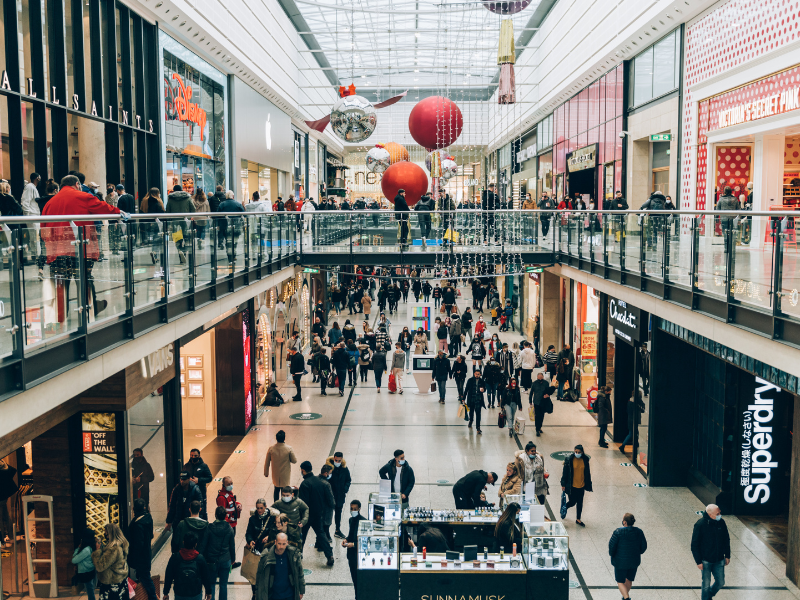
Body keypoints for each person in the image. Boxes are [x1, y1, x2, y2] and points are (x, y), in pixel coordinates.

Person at [41, 174, 122, 316]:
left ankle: (61, 313)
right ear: (77, 184)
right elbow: (104, 208)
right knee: (84, 278)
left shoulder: (50, 202)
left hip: (57, 249)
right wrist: (119, 213)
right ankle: (90, 307)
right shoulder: (83, 197)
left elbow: (43, 229)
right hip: (80, 247)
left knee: (61, 280)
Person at [297, 461, 334, 566]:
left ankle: (299, 554)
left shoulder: (305, 483)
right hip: (318, 513)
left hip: (307, 515)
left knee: (302, 535)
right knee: (321, 534)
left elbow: (303, 502)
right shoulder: (319, 481)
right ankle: (330, 555)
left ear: (303, 470)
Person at [691, 504, 731, 600]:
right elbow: (694, 544)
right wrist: (698, 561)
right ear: (710, 514)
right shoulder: (700, 525)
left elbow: (726, 539)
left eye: (719, 512)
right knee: (706, 584)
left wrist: (727, 555)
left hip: (719, 559)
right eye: (717, 513)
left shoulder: (721, 522)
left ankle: (709, 595)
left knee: (720, 582)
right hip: (706, 561)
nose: (719, 515)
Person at [254, 532, 306, 600]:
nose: (281, 547)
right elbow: (259, 576)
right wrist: (257, 593)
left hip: (289, 595)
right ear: (275, 542)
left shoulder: (293, 555)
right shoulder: (266, 556)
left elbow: (300, 573)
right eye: (279, 543)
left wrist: (301, 591)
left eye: (283, 544)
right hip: (273, 596)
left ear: (287, 543)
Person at [608, 512, 648, 600]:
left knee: (620, 581)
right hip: (634, 561)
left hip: (620, 562)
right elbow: (644, 546)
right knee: (629, 579)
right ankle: (625, 595)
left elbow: (612, 547)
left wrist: (612, 555)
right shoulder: (639, 532)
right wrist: (637, 553)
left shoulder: (618, 532)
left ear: (625, 522)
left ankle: (626, 597)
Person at [200, 506, 236, 600]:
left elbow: (204, 544)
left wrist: (200, 557)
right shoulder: (229, 529)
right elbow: (232, 546)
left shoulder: (209, 528)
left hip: (212, 561)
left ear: (215, 515)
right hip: (225, 560)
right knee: (223, 585)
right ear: (225, 516)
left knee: (211, 584)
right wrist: (233, 559)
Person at [164, 532, 212, 600]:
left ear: (183, 542)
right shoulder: (200, 558)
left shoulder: (175, 557)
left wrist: (166, 592)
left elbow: (169, 575)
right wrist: (208, 592)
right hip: (195, 593)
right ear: (195, 545)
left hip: (180, 593)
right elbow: (206, 577)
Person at [91, 524, 130, 600]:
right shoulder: (121, 545)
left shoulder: (113, 549)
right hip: (119, 581)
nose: (105, 535)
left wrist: (98, 550)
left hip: (111, 584)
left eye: (106, 533)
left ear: (111, 534)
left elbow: (100, 566)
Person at [560, 445, 592, 526]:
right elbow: (565, 473)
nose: (577, 453)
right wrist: (563, 484)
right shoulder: (569, 460)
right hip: (572, 486)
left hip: (581, 485)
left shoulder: (585, 460)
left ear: (582, 452)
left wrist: (588, 483)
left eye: (579, 452)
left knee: (580, 502)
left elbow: (587, 473)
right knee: (572, 502)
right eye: (576, 452)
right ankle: (565, 507)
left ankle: (578, 519)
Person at [264, 431, 298, 503]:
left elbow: (267, 462)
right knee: (285, 490)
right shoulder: (289, 449)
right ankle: (284, 503)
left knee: (276, 489)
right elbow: (294, 460)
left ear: (276, 438)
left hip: (276, 474)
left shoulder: (271, 449)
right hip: (285, 474)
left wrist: (266, 472)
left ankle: (276, 504)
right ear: (284, 438)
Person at [325, 452, 352, 539]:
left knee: (338, 513)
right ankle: (326, 532)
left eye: (339, 460)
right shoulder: (328, 468)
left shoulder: (344, 469)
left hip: (340, 495)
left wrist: (345, 489)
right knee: (328, 515)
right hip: (329, 496)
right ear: (334, 458)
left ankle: (337, 530)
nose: (337, 462)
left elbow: (348, 479)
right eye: (336, 460)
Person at [343, 500, 366, 598]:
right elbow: (351, 534)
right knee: (354, 579)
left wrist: (354, 544)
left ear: (359, 509)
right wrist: (346, 540)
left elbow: (365, 541)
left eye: (355, 509)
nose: (353, 511)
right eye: (351, 509)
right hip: (351, 555)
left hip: (359, 555)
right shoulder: (351, 520)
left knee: (359, 580)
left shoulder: (363, 522)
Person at [514, 442, 548, 506]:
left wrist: (545, 472)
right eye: (532, 451)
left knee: (540, 503)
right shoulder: (521, 459)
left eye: (535, 451)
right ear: (527, 451)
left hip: (538, 485)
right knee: (529, 503)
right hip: (528, 485)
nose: (534, 453)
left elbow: (542, 467)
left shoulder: (538, 458)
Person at [184, 448, 213, 519]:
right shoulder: (186, 466)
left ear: (199, 456)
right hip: (189, 493)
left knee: (202, 511)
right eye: (192, 455)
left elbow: (209, 478)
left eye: (195, 456)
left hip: (201, 493)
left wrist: (199, 480)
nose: (193, 457)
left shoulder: (203, 466)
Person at [72, 530, 98, 600]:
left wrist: (78, 548)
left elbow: (74, 560)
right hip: (90, 571)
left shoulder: (86, 550)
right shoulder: (91, 547)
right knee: (90, 589)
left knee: (90, 590)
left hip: (86, 572)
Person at [316, 465, 336, 550]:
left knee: (320, 527)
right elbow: (330, 498)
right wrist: (334, 505)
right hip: (326, 509)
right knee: (325, 527)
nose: (331, 475)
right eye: (330, 473)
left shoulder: (316, 480)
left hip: (317, 508)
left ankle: (318, 543)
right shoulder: (326, 484)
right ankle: (322, 546)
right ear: (326, 473)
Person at [216, 477, 241, 544]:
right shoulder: (222, 498)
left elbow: (231, 503)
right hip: (228, 525)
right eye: (228, 484)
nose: (230, 485)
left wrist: (238, 505)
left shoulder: (229, 493)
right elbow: (222, 513)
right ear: (223, 485)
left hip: (232, 523)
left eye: (231, 483)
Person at [465, 369, 486, 434]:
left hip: (478, 399)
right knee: (471, 412)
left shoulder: (482, 381)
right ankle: (471, 421)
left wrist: (483, 390)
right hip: (471, 399)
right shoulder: (470, 380)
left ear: (480, 374)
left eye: (478, 374)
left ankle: (478, 427)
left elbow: (485, 388)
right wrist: (463, 397)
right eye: (476, 374)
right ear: (474, 374)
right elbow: (466, 389)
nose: (477, 375)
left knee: (478, 414)